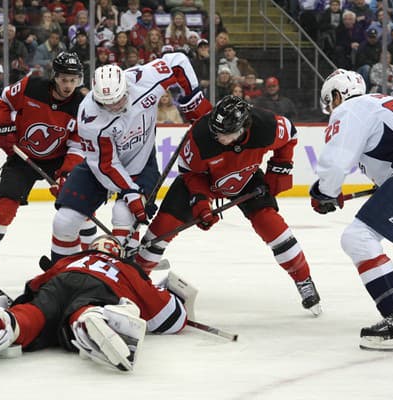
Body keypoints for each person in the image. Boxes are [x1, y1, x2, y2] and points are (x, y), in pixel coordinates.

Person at [134, 95, 322, 316]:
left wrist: (279, 169)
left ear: (244, 127)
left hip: (246, 176)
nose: (218, 137)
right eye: (216, 131)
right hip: (201, 179)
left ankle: (304, 279)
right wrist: (201, 202)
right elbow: (191, 173)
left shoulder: (266, 126)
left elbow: (290, 135)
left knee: (272, 227)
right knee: (161, 229)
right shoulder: (201, 135)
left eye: (225, 134)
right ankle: (134, 282)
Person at [0, 235, 189, 371]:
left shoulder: (69, 260)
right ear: (116, 252)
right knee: (85, 308)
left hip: (59, 282)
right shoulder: (125, 267)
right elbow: (167, 317)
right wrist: (177, 302)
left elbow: (36, 284)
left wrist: (18, 305)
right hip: (100, 288)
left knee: (33, 314)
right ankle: (90, 321)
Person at [49, 52, 212, 261]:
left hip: (142, 162)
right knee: (64, 221)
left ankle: (122, 272)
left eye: (117, 100)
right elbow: (106, 165)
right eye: (106, 104)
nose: (114, 107)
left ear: (125, 87)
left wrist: (194, 102)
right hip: (101, 167)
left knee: (123, 214)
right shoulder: (89, 116)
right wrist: (130, 192)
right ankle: (63, 274)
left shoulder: (144, 79)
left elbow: (178, 62)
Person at [311, 68, 393, 350]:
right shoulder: (384, 102)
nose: (331, 108)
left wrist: (324, 192)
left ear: (338, 94)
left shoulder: (351, 109)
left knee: (357, 238)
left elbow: (336, 161)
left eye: (331, 101)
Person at [0, 52, 95, 272]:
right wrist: (3, 128)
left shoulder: (82, 105)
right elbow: (1, 99)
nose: (68, 86)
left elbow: (77, 145)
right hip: (22, 156)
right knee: (4, 207)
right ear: (54, 77)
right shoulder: (32, 86)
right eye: (63, 79)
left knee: (81, 204)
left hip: (60, 159)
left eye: (73, 80)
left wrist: (67, 173)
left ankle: (92, 261)